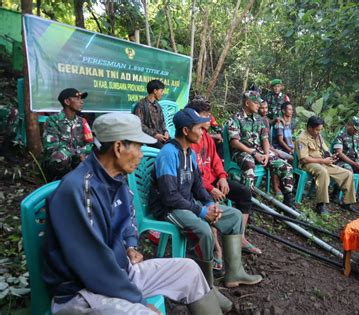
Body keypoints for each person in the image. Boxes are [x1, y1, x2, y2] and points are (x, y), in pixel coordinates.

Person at [42, 113, 221, 315]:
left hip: (119, 274)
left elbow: (127, 216)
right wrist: (139, 302)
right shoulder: (80, 190)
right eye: (137, 146)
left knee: (189, 270)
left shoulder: (116, 177)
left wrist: (130, 244)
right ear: (118, 148)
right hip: (83, 293)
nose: (141, 154)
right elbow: (94, 266)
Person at [149, 107, 263, 312]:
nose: (203, 132)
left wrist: (210, 204)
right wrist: (201, 212)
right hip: (168, 208)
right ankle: (206, 290)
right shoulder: (169, 153)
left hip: (186, 203)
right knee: (203, 230)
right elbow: (169, 196)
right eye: (199, 128)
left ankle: (234, 272)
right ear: (185, 131)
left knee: (235, 216)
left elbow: (198, 187)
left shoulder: (189, 153)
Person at [187, 96, 262, 259]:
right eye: (206, 114)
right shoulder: (189, 140)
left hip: (212, 181)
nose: (209, 118)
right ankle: (216, 250)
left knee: (244, 193)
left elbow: (216, 161)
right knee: (211, 204)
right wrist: (210, 188)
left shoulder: (206, 136)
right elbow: (193, 176)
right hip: (200, 186)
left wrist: (221, 177)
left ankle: (240, 237)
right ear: (194, 116)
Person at [227, 90, 296, 208]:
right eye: (256, 103)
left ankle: (288, 202)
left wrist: (267, 154)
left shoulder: (259, 119)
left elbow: (265, 139)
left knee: (286, 166)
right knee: (249, 166)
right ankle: (246, 204)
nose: (259, 105)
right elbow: (234, 143)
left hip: (260, 151)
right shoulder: (235, 119)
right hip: (242, 152)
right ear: (247, 103)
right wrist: (253, 153)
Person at [295, 116, 357, 215]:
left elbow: (325, 149)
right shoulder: (302, 138)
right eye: (317, 130)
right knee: (323, 172)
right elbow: (304, 159)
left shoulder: (318, 136)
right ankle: (321, 204)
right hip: (309, 164)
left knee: (347, 174)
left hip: (322, 162)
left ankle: (347, 202)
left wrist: (331, 156)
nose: (319, 132)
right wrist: (323, 161)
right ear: (310, 128)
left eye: (320, 129)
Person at [42, 88, 94, 181]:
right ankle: (58, 183)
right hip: (60, 164)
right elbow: (52, 147)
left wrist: (82, 154)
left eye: (81, 99)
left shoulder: (82, 121)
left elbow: (90, 143)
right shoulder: (53, 121)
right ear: (67, 101)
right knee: (61, 156)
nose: (81, 102)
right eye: (78, 99)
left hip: (77, 161)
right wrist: (78, 153)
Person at [133, 79, 170, 149]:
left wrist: (166, 132)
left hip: (161, 137)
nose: (162, 93)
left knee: (176, 145)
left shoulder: (158, 105)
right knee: (166, 149)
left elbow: (162, 122)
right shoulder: (141, 105)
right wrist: (155, 135)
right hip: (149, 138)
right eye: (161, 91)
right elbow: (139, 124)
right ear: (155, 91)